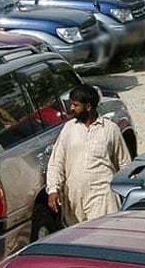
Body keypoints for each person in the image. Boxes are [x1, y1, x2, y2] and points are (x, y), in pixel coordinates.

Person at [46, 84, 132, 226]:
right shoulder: (69, 129)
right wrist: (53, 190)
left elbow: (124, 165)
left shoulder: (110, 130)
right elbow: (56, 162)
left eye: (75, 105)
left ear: (88, 107)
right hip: (74, 198)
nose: (71, 109)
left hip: (103, 196)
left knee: (100, 236)